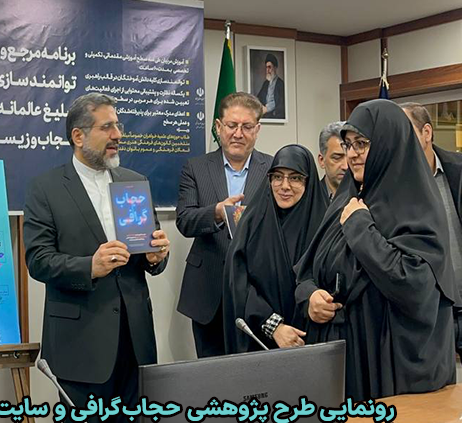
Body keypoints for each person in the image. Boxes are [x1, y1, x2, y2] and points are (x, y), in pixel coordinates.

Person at [23, 92, 170, 423]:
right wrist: (90, 266)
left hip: (135, 344)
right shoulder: (46, 189)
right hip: (80, 346)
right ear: (79, 136)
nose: (118, 134)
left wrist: (157, 256)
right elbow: (38, 260)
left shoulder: (133, 182)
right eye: (107, 127)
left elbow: (149, 255)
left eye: (118, 125)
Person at [294, 99, 456, 401]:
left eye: (362, 144)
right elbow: (308, 269)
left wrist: (360, 228)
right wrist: (310, 297)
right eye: (348, 145)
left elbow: (414, 283)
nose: (352, 154)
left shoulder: (415, 204)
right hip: (342, 360)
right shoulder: (347, 199)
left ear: (388, 143)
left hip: (387, 363)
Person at [176, 92, 272, 357]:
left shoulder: (273, 169)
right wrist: (217, 213)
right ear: (218, 127)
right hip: (208, 292)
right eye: (232, 125)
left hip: (258, 291)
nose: (238, 134)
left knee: (257, 371)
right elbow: (184, 220)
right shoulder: (195, 168)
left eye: (247, 126)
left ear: (257, 130)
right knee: (213, 373)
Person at [223, 144, 328, 353]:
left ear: (309, 182)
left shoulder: (325, 226)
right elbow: (238, 281)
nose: (284, 186)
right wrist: (274, 327)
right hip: (260, 341)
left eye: (295, 178)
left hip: (312, 340)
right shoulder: (252, 223)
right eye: (277, 177)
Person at [400, 102, 462, 361]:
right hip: (431, 315)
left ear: (427, 132)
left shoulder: (457, 169)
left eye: (406, 132)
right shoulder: (395, 184)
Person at [317, 120, 347, 200]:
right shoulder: (310, 198)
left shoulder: (367, 197)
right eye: (337, 158)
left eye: (350, 158)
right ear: (321, 160)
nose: (346, 166)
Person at [256, 54, 285, 119]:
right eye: (266, 67)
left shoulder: (280, 84)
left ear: (275, 68)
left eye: (269, 67)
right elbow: (259, 98)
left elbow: (280, 103)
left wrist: (267, 108)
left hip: (275, 115)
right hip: (265, 115)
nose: (267, 70)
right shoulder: (266, 83)